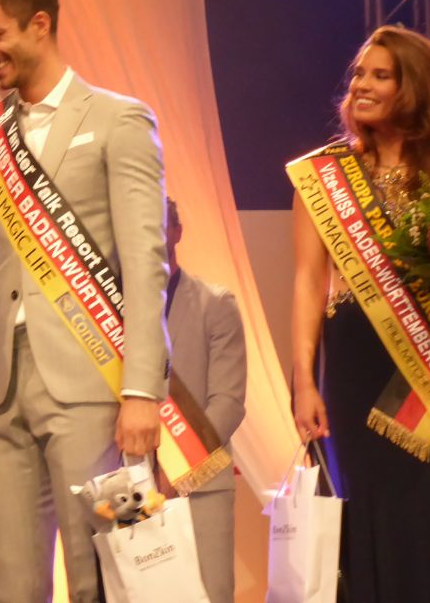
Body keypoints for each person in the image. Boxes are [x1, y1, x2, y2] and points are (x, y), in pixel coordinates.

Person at [0, 0, 169, 602]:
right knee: (12, 583)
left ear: (39, 23)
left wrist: (143, 390)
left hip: (96, 382)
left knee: (105, 575)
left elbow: (146, 262)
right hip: (2, 390)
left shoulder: (120, 119)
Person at [291, 25, 430, 602]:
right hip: (355, 366)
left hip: (429, 370)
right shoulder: (325, 177)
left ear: (413, 89)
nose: (361, 84)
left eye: (381, 75)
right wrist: (302, 381)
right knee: (368, 504)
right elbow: (308, 282)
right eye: (359, 73)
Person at [162, 198, 245, 603]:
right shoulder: (109, 313)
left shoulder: (216, 303)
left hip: (200, 487)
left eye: (157, 224)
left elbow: (228, 401)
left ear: (177, 231)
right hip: (130, 490)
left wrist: (178, 471)